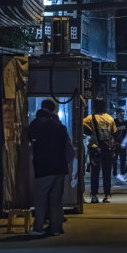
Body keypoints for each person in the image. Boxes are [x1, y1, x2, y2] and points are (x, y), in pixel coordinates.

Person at [28, 98, 74, 236]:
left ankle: (38, 228)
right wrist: (63, 162)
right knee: (56, 201)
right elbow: (70, 150)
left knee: (41, 199)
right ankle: (56, 229)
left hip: (43, 169)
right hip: (59, 169)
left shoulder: (35, 125)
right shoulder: (60, 127)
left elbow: (29, 141)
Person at [83, 98, 118, 203]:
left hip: (95, 149)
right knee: (107, 173)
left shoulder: (89, 119)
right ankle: (107, 195)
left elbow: (84, 130)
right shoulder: (110, 119)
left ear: (94, 106)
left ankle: (94, 196)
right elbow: (115, 134)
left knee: (95, 173)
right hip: (107, 149)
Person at [113, 109, 127, 181]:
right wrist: (119, 128)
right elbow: (111, 130)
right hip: (115, 143)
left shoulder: (125, 122)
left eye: (122, 114)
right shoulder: (114, 122)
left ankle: (122, 172)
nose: (121, 115)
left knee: (123, 159)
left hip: (123, 144)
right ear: (117, 114)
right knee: (114, 158)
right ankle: (114, 171)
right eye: (120, 114)